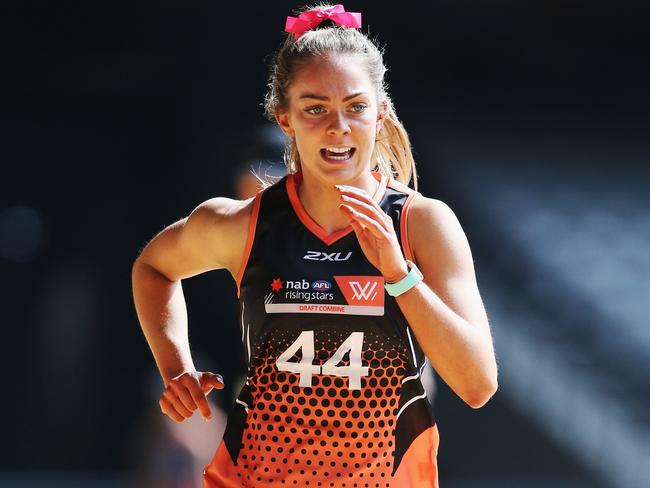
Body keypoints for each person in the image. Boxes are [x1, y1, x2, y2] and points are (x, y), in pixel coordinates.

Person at [131, 4, 498, 487]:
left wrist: (399, 274)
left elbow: (478, 386)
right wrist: (176, 367)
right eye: (315, 108)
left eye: (355, 106)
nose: (338, 126)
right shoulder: (243, 222)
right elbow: (154, 268)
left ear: (381, 112)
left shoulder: (423, 224)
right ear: (285, 119)